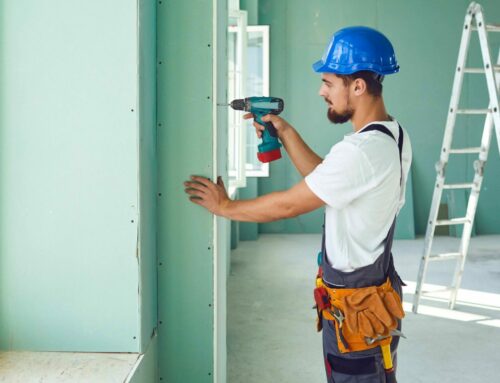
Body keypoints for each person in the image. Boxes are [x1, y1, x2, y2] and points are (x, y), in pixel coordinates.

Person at [184, 26, 412, 383]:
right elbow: (328, 180)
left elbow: (289, 205)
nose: (322, 92)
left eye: (328, 82)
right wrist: (286, 133)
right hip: (373, 299)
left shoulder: (360, 152)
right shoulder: (392, 135)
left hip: (356, 309)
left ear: (358, 86)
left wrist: (225, 206)